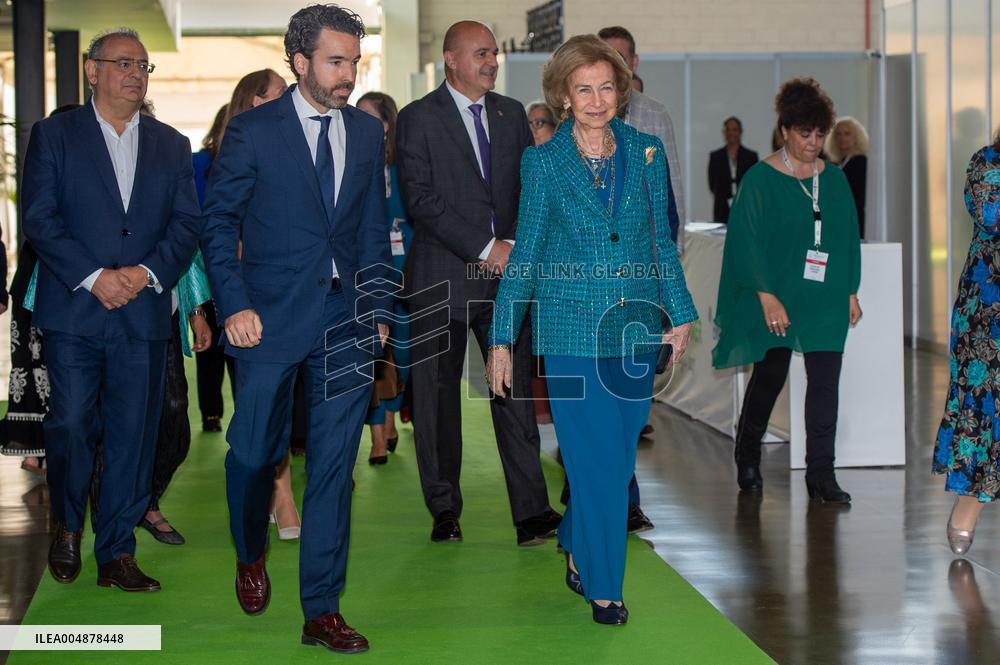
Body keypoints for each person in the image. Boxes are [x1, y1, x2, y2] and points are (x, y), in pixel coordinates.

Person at [486, 34, 696, 624]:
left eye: (606, 88)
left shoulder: (646, 152)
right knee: (595, 461)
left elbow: (660, 243)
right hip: (570, 333)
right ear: (563, 95)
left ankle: (575, 536)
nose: (597, 100)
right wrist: (501, 338)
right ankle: (605, 587)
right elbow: (526, 255)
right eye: (584, 90)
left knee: (617, 461)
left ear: (620, 91)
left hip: (634, 330)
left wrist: (679, 312)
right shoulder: (543, 164)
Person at [200, 5, 390, 653]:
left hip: (346, 321)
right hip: (266, 319)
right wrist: (233, 304)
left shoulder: (365, 133)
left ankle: (322, 610)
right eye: (336, 62)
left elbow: (371, 230)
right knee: (254, 453)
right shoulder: (253, 131)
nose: (348, 75)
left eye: (354, 62)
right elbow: (219, 224)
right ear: (300, 61)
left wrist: (377, 310)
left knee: (334, 466)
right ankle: (249, 548)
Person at [22, 27, 201, 591]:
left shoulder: (171, 144)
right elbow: (40, 218)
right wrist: (94, 277)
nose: (135, 74)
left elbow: (187, 225)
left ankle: (117, 551)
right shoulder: (55, 135)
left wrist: (145, 274)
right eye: (123, 63)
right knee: (73, 423)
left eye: (143, 66)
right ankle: (67, 525)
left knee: (133, 433)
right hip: (75, 311)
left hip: (142, 312)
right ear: (92, 70)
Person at [396, 20, 561, 547]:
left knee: (512, 392)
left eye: (494, 54)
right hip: (441, 279)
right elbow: (420, 199)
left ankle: (532, 513)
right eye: (481, 53)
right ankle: (444, 509)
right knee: (436, 400)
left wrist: (511, 247)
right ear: (451, 59)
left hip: (504, 282)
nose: (492, 62)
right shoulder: (417, 117)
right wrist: (487, 248)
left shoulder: (511, 114)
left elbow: (528, 190)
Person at [712, 78, 862, 503]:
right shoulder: (761, 179)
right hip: (776, 294)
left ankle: (822, 474)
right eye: (804, 133)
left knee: (825, 383)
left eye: (819, 134)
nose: (813, 143)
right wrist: (765, 295)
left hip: (825, 295)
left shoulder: (834, 180)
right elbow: (746, 241)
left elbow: (847, 237)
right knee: (770, 375)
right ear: (784, 131)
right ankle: (747, 453)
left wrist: (850, 291)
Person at [599, 24, 686, 531]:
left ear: (633, 64)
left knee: (630, 397)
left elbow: (672, 208)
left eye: (621, 58)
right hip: (588, 289)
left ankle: (624, 498)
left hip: (639, 284)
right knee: (594, 397)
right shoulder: (572, 125)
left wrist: (668, 292)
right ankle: (593, 488)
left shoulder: (654, 120)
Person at [0, 103, 81, 475]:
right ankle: (40, 448)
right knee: (38, 365)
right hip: (43, 283)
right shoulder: (57, 168)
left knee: (43, 365)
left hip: (45, 282)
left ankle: (43, 450)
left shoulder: (49, 166)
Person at [932, 139, 1000, 555]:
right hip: (988, 311)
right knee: (984, 403)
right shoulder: (987, 161)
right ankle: (968, 505)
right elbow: (991, 215)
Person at [356, 91, 411, 465]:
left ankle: (391, 414)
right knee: (371, 352)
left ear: (387, 124)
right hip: (367, 271)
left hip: (406, 269)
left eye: (369, 116)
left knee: (403, 352)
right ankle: (377, 434)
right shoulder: (353, 161)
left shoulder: (405, 166)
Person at [191, 102, 236, 433]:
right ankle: (211, 412)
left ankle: (233, 410)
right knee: (208, 343)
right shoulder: (198, 163)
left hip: (236, 268)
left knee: (238, 343)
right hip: (204, 267)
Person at [708, 116, 758, 223]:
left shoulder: (751, 157)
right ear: (724, 133)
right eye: (728, 130)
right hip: (721, 209)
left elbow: (754, 185)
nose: (731, 133)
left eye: (734, 130)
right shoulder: (715, 157)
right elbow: (712, 185)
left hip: (746, 208)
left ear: (740, 132)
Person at [825, 116, 868, 238]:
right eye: (838, 134)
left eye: (847, 134)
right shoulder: (834, 164)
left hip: (854, 221)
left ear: (857, 138)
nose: (842, 138)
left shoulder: (861, 162)